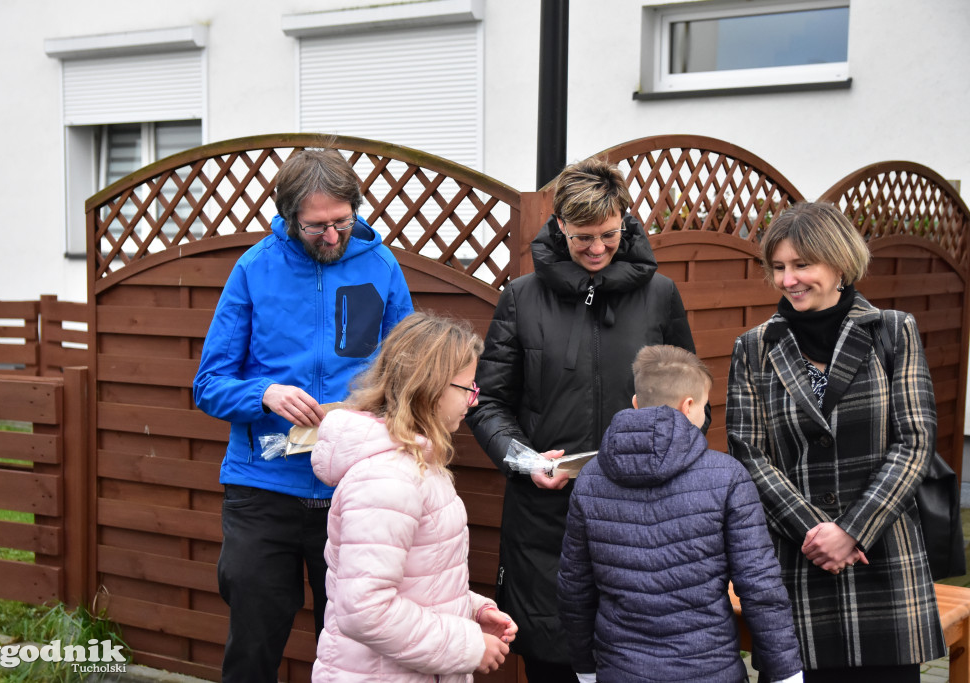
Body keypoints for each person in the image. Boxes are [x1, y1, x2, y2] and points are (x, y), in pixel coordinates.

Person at [466, 156, 700, 682]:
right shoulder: (521, 297)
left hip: (643, 512)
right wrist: (524, 460)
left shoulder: (660, 294)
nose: (596, 249)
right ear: (560, 227)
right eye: (582, 238)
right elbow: (487, 402)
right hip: (546, 520)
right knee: (554, 660)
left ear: (625, 221)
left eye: (609, 235)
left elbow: (690, 399)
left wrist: (669, 453)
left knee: (638, 658)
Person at [192, 146, 414, 682]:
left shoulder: (382, 266)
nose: (332, 237)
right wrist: (263, 394)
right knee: (252, 648)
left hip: (354, 491)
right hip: (263, 490)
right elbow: (208, 384)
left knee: (352, 656)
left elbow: (408, 372)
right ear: (290, 218)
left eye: (341, 222)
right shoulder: (253, 270)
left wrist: (381, 409)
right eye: (317, 228)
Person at [726, 202, 945, 683]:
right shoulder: (753, 348)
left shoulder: (893, 331)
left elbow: (915, 441)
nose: (788, 280)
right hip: (800, 564)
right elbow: (749, 453)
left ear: (839, 263)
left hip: (882, 560)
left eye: (802, 265)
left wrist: (852, 531)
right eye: (779, 268)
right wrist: (816, 533)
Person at [557, 345, 803, 683]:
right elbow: (760, 587)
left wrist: (584, 667)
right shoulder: (727, 477)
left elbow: (575, 588)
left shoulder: (590, 480)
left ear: (635, 403)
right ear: (689, 407)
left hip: (621, 672)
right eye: (704, 406)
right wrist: (786, 674)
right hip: (711, 672)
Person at [309, 312, 518, 682]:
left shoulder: (418, 464)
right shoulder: (386, 479)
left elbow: (419, 577)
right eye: (468, 388)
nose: (473, 402)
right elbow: (365, 609)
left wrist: (471, 610)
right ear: (431, 386)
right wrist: (468, 645)